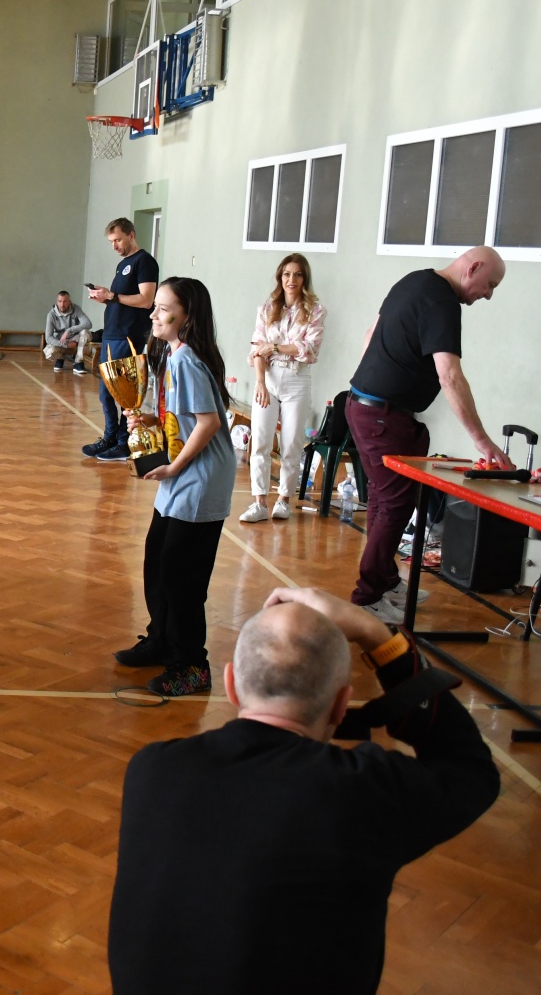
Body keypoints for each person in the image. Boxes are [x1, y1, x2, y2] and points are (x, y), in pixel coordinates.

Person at [109, 587, 500, 995]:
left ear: (231, 685)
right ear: (341, 705)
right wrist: (377, 636)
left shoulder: (152, 770)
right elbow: (470, 767)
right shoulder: (363, 792)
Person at [347, 247, 511, 624]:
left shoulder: (414, 281)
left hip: (367, 406)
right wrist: (482, 441)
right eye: (489, 284)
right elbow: (449, 375)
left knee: (385, 500)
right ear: (472, 268)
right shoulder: (442, 301)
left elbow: (371, 335)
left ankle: (385, 581)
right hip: (381, 415)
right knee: (394, 504)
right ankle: (367, 596)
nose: (488, 294)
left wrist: (370, 385)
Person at [112, 278, 236, 695]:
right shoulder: (172, 354)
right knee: (157, 561)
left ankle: (192, 665)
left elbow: (208, 423)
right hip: (181, 472)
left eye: (163, 309)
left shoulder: (186, 360)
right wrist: (150, 420)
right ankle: (162, 640)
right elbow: (182, 415)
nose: (154, 314)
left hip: (200, 478)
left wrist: (173, 467)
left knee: (182, 575)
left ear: (186, 317)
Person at [241, 254, 326, 523]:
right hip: (268, 378)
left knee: (291, 443)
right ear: (280, 277)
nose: (292, 279)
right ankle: (259, 503)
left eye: (298, 274)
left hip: (297, 379)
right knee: (261, 441)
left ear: (304, 279)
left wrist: (275, 347)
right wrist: (260, 383)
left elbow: (309, 350)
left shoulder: (315, 311)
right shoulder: (267, 309)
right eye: (287, 274)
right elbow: (257, 350)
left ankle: (284, 500)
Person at [83, 218, 158, 462]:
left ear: (131, 235)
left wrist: (112, 295)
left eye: (118, 240)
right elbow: (121, 299)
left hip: (129, 335)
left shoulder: (144, 261)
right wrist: (105, 298)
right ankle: (111, 437)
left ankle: (125, 443)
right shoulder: (123, 264)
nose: (114, 246)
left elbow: (146, 300)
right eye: (111, 242)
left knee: (123, 392)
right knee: (105, 392)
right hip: (112, 333)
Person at [43, 290, 91, 375]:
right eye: (60, 301)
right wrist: (66, 345)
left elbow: (88, 323)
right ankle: (60, 358)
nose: (62, 304)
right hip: (61, 342)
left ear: (69, 302)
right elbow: (48, 338)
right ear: (57, 302)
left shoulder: (76, 309)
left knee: (86, 333)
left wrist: (69, 331)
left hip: (74, 340)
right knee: (49, 352)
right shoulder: (51, 315)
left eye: (65, 301)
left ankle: (78, 362)